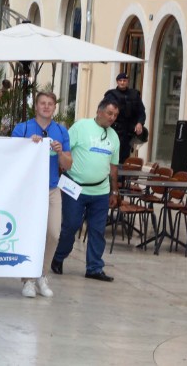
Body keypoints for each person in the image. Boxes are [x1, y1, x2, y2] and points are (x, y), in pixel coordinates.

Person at [52, 98, 120, 283]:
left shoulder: (114, 136)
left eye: (115, 115)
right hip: (75, 188)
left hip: (101, 191)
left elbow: (113, 166)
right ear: (99, 111)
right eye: (109, 113)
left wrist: (115, 191)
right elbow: (66, 151)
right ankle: (58, 257)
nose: (112, 118)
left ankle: (94, 267)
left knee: (97, 230)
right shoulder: (81, 127)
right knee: (71, 226)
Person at [11, 91, 72, 299]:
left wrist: (61, 151)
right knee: (30, 233)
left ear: (54, 108)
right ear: (36, 106)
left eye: (50, 104)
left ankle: (41, 274)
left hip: (52, 188)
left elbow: (68, 164)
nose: (46, 107)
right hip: (28, 189)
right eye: (42, 103)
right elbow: (11, 158)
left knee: (53, 233)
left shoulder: (61, 131)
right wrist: (28, 146)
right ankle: (27, 279)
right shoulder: (23, 128)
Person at [104, 72, 146, 164]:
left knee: (124, 158)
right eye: (120, 80)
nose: (122, 82)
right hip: (114, 129)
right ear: (117, 82)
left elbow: (141, 112)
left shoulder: (134, 94)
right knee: (111, 155)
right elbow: (104, 111)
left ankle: (121, 178)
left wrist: (140, 123)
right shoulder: (111, 95)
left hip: (128, 132)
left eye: (124, 80)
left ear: (127, 82)